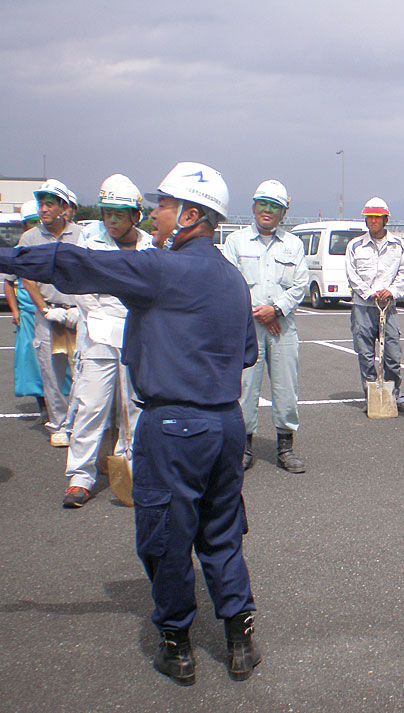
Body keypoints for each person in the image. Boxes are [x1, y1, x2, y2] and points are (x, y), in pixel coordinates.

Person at [0, 162, 262, 685]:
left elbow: (76, 263)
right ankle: (239, 638)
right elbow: (248, 354)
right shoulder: (234, 280)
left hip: (173, 427)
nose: (155, 214)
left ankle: (177, 643)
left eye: (163, 204)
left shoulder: (160, 268)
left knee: (166, 537)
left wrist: (8, 255)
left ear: (189, 214)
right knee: (221, 533)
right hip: (225, 424)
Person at [61, 175, 153, 509]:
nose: (112, 220)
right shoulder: (89, 240)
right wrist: (100, 317)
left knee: (135, 406)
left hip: (137, 335)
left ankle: (131, 467)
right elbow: (79, 285)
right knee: (92, 406)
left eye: (119, 213)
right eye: (107, 213)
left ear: (135, 215)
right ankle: (80, 478)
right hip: (97, 336)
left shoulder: (149, 245)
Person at [224, 180, 308, 473]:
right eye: (263, 204)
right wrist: (259, 314)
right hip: (248, 327)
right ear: (253, 206)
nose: (268, 211)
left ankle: (286, 447)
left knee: (286, 388)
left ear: (284, 213)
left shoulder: (294, 244)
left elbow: (299, 286)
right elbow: (230, 283)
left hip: (283, 326)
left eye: (275, 206)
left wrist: (276, 311)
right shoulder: (236, 242)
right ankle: (243, 447)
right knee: (246, 387)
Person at [18, 179, 81, 446]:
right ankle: (59, 424)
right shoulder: (30, 238)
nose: (43, 209)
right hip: (48, 314)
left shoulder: (81, 235)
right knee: (52, 373)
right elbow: (27, 278)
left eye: (49, 204)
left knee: (82, 371)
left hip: (78, 312)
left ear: (62, 207)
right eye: (41, 204)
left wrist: (83, 306)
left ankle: (79, 422)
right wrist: (43, 309)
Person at [345, 197, 404, 413]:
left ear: (385, 219)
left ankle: (395, 395)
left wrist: (391, 292)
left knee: (392, 355)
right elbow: (352, 274)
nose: (373, 221)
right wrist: (369, 293)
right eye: (370, 217)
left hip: (388, 307)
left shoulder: (397, 244)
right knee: (365, 355)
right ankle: (371, 397)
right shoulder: (355, 244)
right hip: (363, 307)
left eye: (377, 217)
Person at [3, 199, 52, 419]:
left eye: (35, 222)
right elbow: (9, 282)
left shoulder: (48, 244)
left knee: (59, 363)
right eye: (28, 223)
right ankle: (42, 404)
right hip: (28, 313)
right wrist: (15, 312)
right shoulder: (22, 247)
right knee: (32, 363)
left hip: (50, 310)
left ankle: (59, 404)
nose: (31, 227)